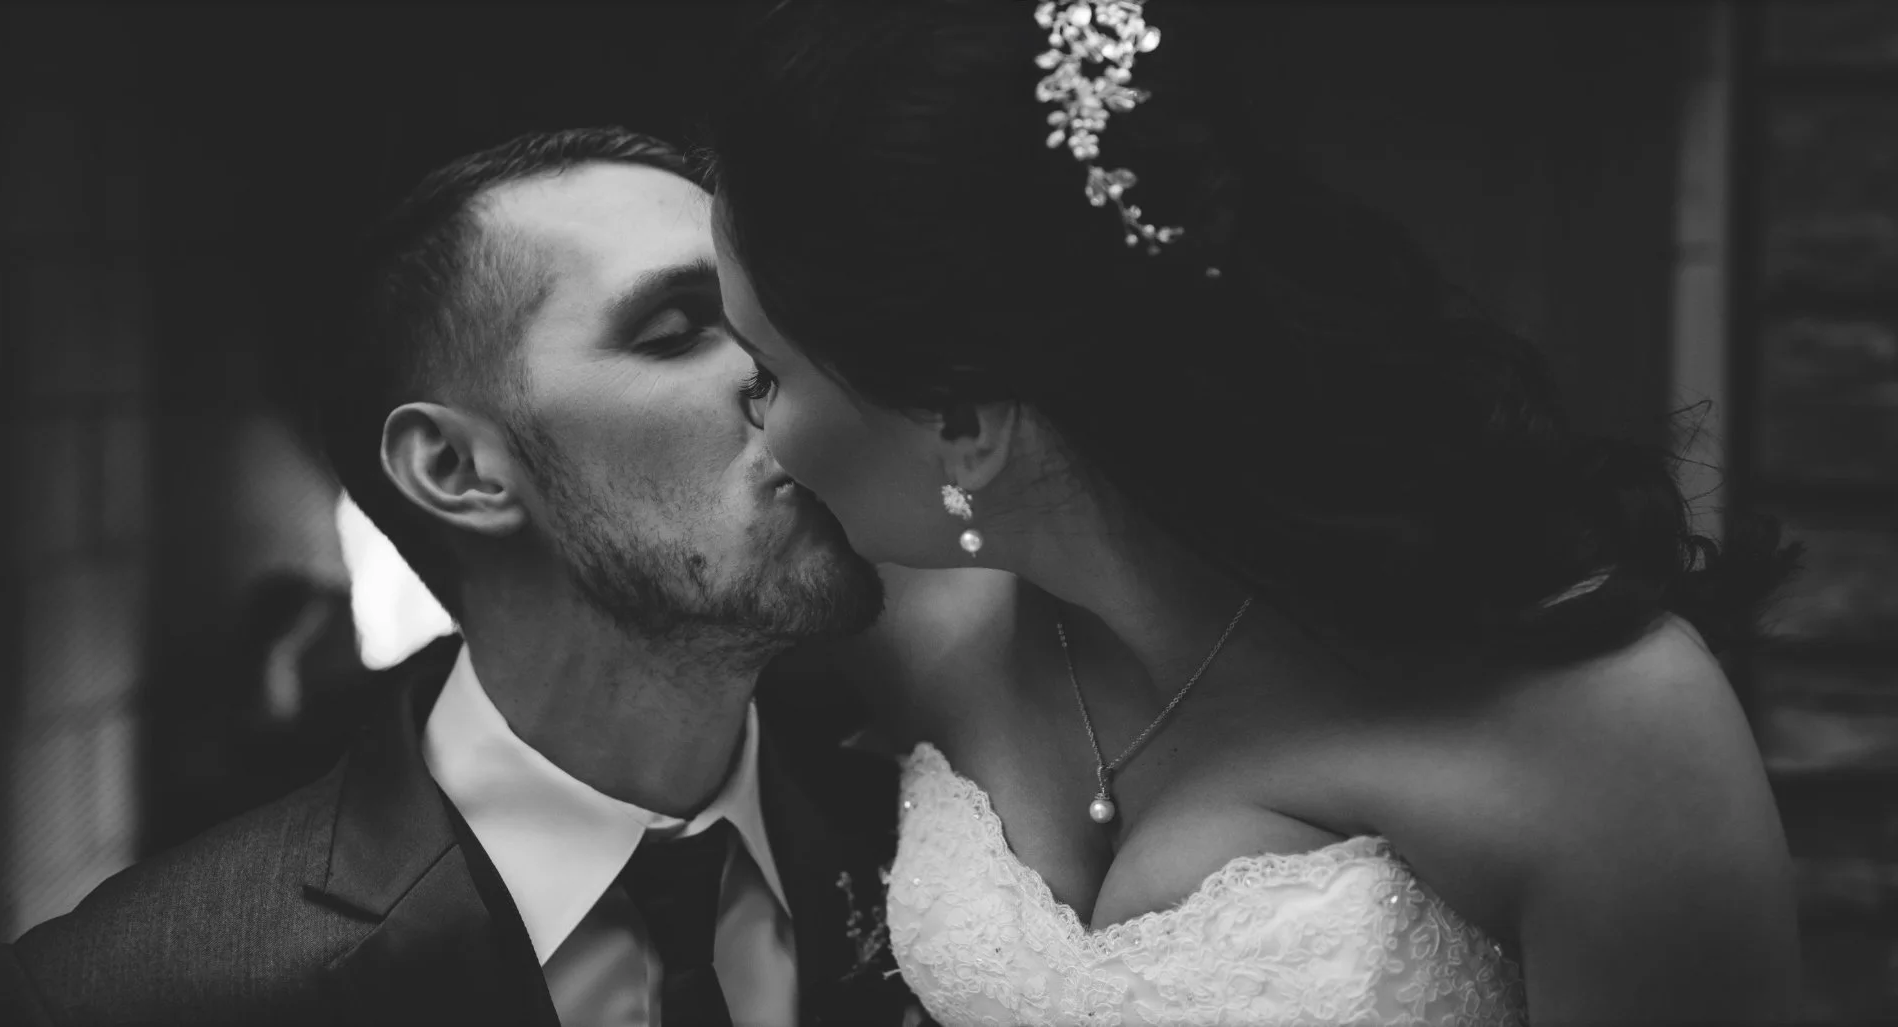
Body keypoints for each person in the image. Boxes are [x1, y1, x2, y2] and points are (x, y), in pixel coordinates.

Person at [700, 1, 1802, 1023]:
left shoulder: (1605, 725)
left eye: (767, 370)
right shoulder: (896, 615)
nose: (753, 425)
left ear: (959, 415)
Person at [0, 127, 917, 1027]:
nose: (781, 370)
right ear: (457, 470)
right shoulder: (136, 992)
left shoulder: (939, 849)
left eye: (768, 319)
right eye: (676, 329)